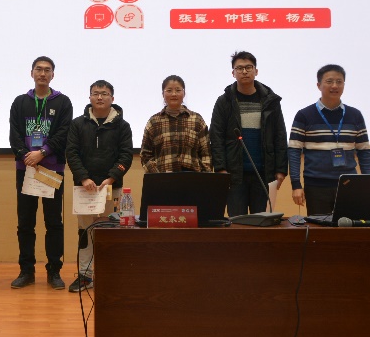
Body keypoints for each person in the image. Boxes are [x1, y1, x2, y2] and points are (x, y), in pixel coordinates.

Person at [9, 56, 73, 290]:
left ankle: (54, 271)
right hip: (25, 169)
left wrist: (42, 152)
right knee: (25, 223)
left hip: (51, 169)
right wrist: (26, 155)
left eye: (47, 70)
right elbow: (14, 133)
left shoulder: (63, 102)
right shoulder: (20, 102)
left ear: (53, 75)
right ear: (32, 73)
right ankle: (26, 271)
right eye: (39, 69)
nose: (42, 73)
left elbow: (64, 133)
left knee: (53, 222)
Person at [66, 80, 133, 292]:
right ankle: (85, 275)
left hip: (111, 189)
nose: (100, 97)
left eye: (104, 93)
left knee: (109, 232)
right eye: (96, 93)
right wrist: (84, 178)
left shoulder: (122, 126)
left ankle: (109, 274)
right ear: (90, 97)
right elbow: (72, 153)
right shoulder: (78, 124)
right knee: (85, 232)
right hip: (84, 189)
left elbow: (126, 156)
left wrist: (111, 178)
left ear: (112, 98)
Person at [210, 52, 288, 216]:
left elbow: (280, 135)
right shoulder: (224, 101)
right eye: (239, 68)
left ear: (256, 71)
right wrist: (220, 169)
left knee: (262, 222)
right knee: (237, 223)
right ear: (233, 73)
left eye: (248, 67)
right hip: (234, 176)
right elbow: (216, 137)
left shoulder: (270, 101)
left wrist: (281, 169)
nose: (244, 71)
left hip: (264, 174)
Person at [289, 64, 370, 215]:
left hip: (349, 185)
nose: (334, 86)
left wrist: (366, 183)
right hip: (316, 185)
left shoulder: (355, 115)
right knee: (319, 228)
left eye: (339, 82)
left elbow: (364, 152)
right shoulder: (304, 115)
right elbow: (294, 151)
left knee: (348, 226)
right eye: (329, 81)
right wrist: (296, 184)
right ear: (319, 85)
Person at [141, 75, 211, 173]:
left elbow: (206, 153)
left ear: (184, 93)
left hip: (193, 179)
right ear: (163, 94)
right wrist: (157, 175)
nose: (174, 94)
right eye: (169, 90)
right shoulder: (154, 122)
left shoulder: (197, 120)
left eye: (178, 90)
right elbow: (145, 155)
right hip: (163, 179)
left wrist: (204, 176)